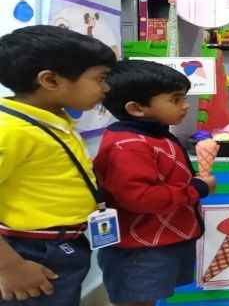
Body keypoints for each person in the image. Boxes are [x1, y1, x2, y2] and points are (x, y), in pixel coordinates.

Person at [0, 25, 116, 305]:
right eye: (100, 78)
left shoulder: (53, 119)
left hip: (63, 243)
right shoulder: (11, 130)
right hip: (30, 250)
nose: (106, 88)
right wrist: (10, 267)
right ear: (50, 80)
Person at [93, 60, 217, 306]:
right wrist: (197, 189)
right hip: (140, 246)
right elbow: (140, 198)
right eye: (175, 99)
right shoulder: (129, 145)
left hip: (162, 239)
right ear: (137, 108)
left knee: (148, 298)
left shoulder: (155, 135)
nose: (185, 105)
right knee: (136, 300)